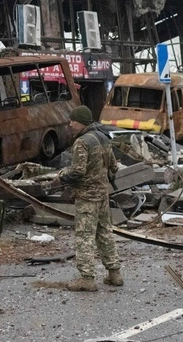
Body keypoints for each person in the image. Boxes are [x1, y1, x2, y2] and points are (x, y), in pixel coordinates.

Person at [51, 105, 122, 291]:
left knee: (84, 236)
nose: (70, 124)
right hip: (103, 195)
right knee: (105, 232)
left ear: (81, 122)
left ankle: (87, 278)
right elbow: (114, 166)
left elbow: (78, 171)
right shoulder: (103, 138)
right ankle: (114, 273)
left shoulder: (82, 142)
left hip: (87, 197)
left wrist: (61, 177)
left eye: (73, 120)